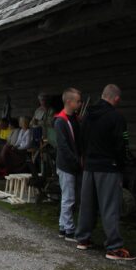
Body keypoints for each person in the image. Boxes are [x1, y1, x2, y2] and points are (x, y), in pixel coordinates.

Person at [76, 84, 136, 261]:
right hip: (109, 167)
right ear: (116, 99)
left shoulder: (87, 116)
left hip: (89, 166)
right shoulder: (116, 117)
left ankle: (83, 239)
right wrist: (122, 163)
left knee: (87, 205)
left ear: (103, 95)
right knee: (110, 206)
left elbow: (81, 140)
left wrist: (85, 158)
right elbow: (122, 143)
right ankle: (114, 248)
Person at [54, 88, 82, 242]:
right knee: (69, 198)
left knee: (68, 197)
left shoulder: (75, 119)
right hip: (66, 164)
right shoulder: (60, 121)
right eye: (77, 101)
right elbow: (63, 147)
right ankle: (69, 231)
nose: (80, 103)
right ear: (69, 102)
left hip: (72, 163)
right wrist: (76, 161)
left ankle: (63, 227)